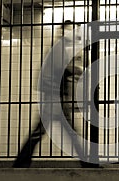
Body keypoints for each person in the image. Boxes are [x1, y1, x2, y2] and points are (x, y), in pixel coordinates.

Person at [13, 21, 89, 168]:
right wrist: (79, 69)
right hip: (55, 98)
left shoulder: (59, 47)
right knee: (69, 133)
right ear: (62, 32)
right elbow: (65, 67)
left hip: (55, 97)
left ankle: (21, 162)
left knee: (51, 132)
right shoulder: (59, 47)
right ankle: (88, 164)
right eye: (69, 30)